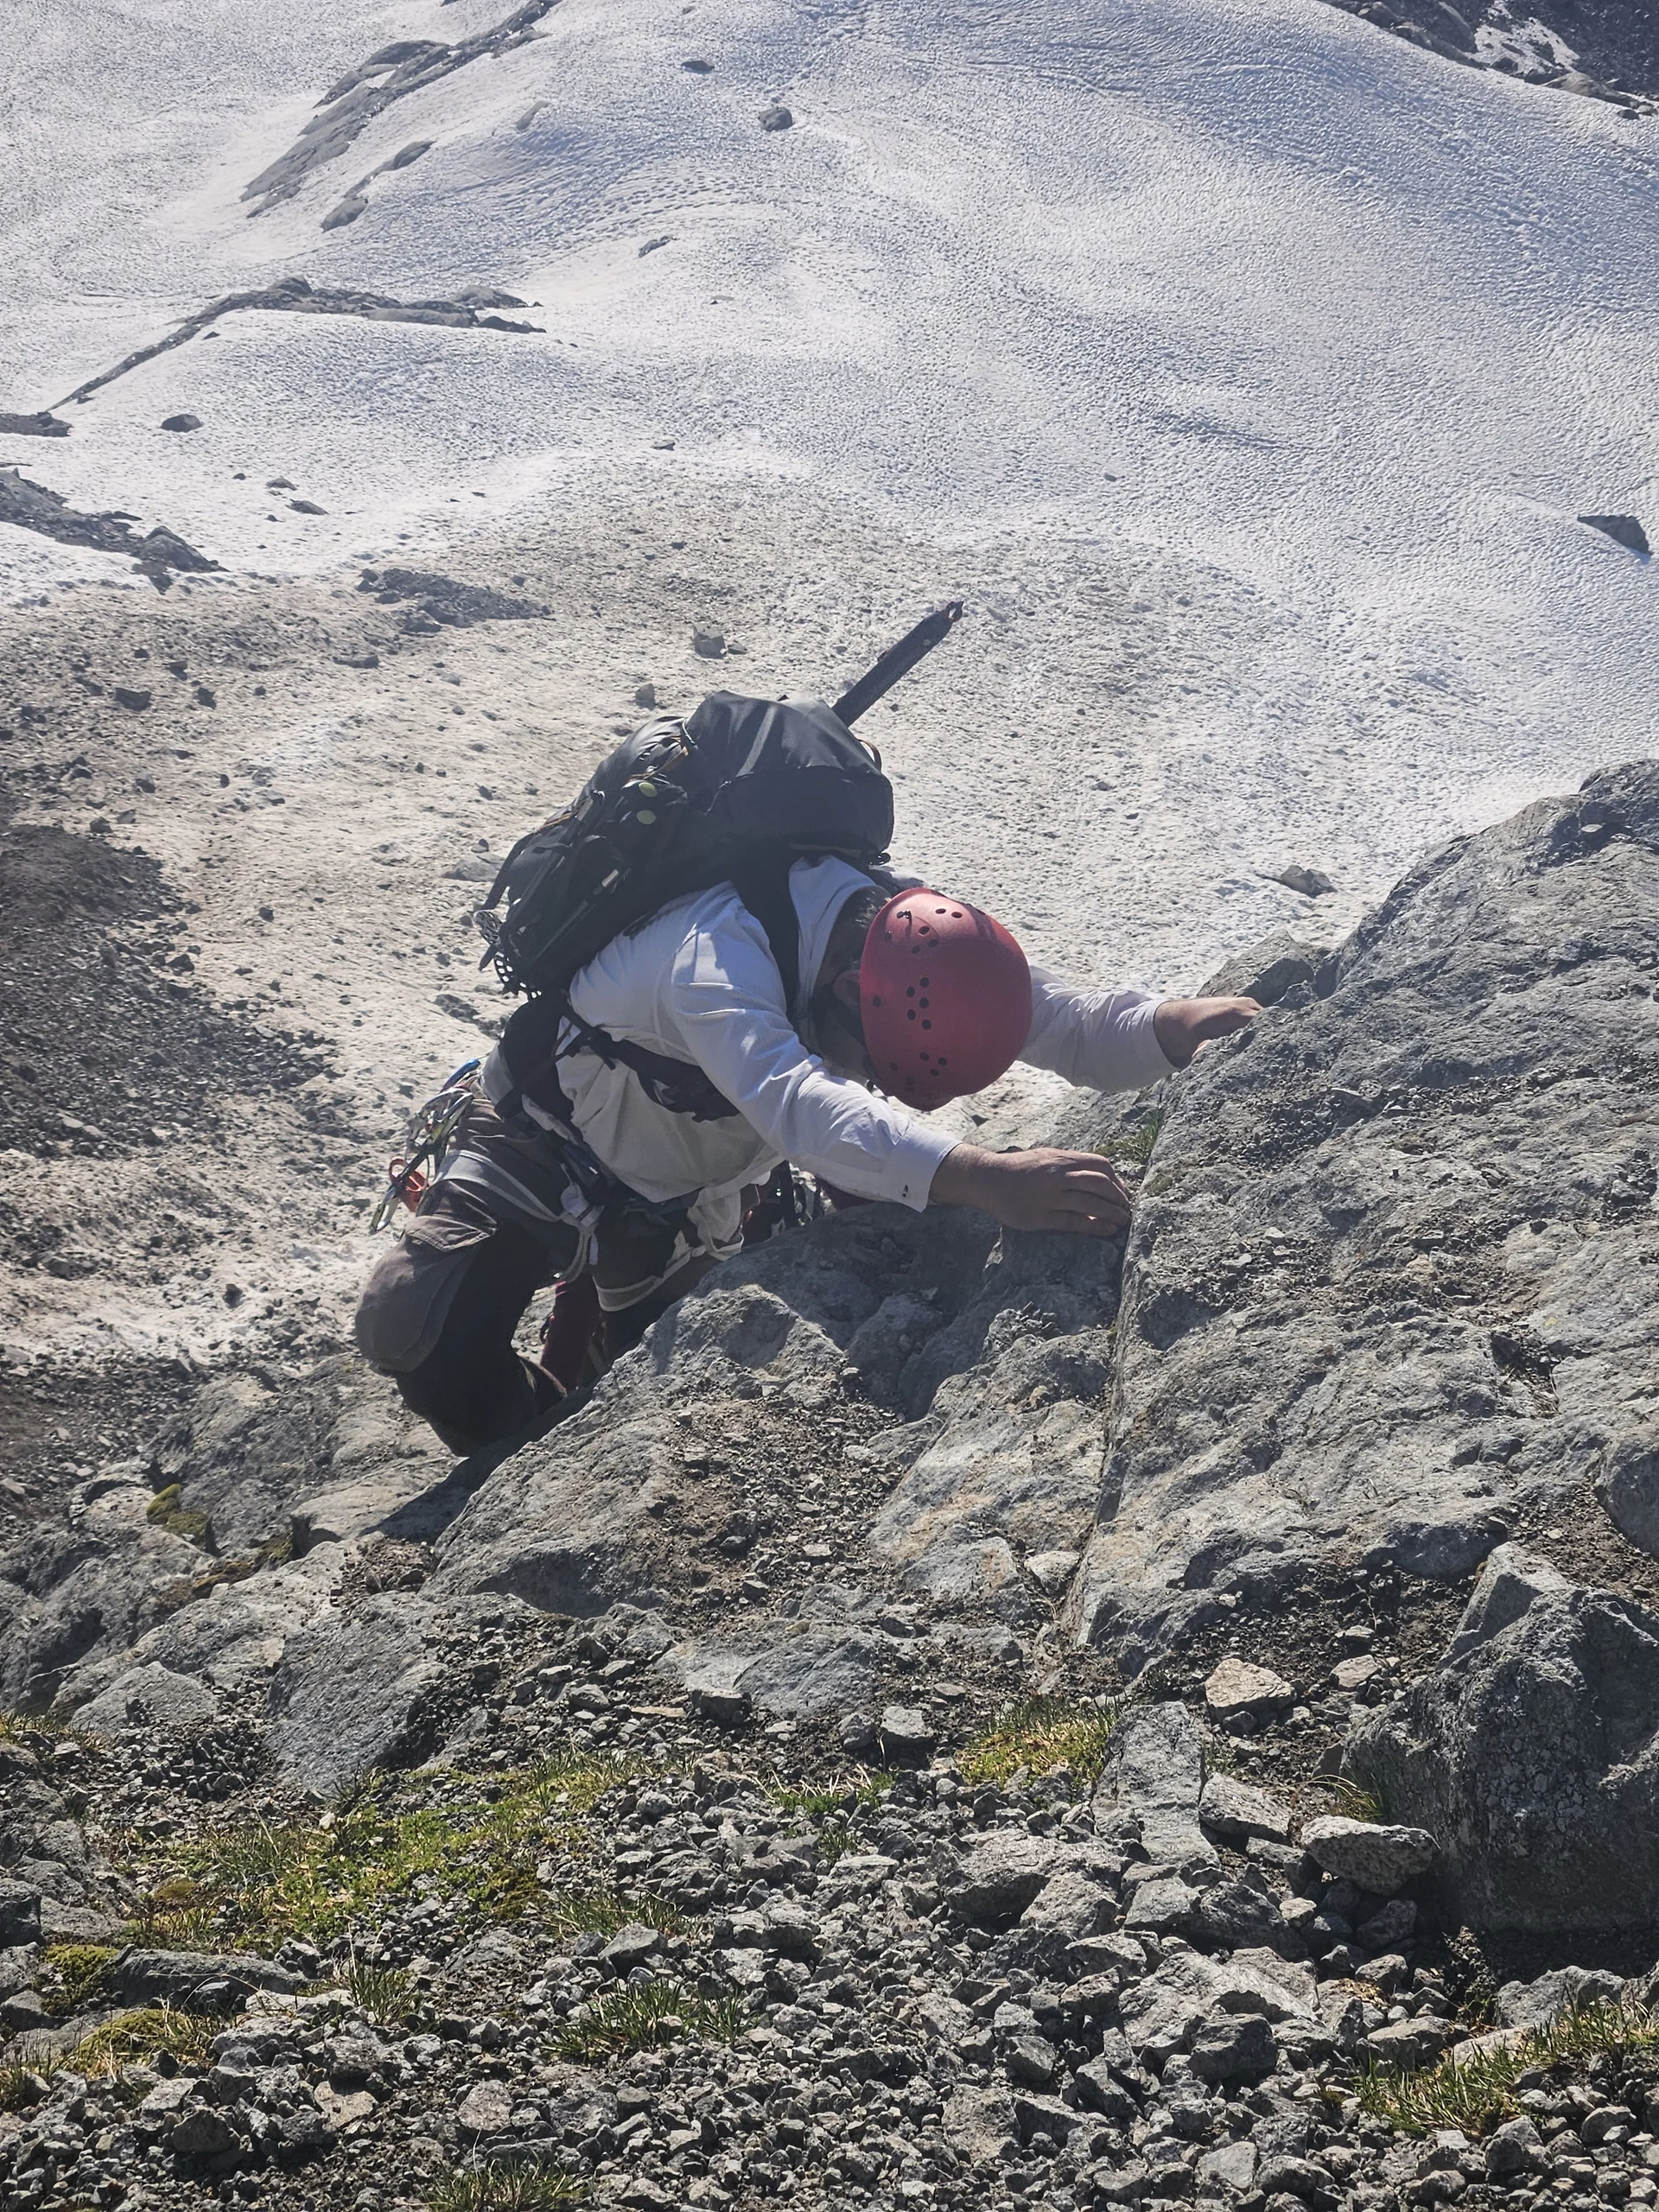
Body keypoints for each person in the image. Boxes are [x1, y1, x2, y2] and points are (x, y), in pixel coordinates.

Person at [355, 858, 1258, 1455]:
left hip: (685, 1203)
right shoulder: (714, 955)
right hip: (544, 1138)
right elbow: (798, 1104)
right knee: (411, 1322)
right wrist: (984, 1177)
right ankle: (511, 1448)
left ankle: (543, 1447)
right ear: (848, 991)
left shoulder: (911, 944)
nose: (866, 1077)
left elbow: (1062, 1021)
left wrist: (1172, 1026)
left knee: (645, 1418)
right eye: (871, 1061)